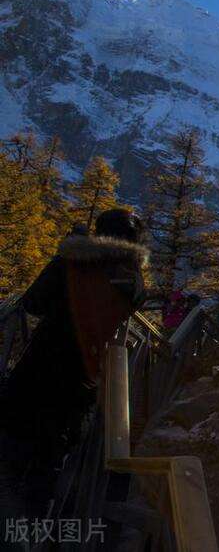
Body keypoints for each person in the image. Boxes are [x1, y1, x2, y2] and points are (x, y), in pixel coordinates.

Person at [0, 208, 148, 518]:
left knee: (12, 447)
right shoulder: (133, 279)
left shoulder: (72, 262)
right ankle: (32, 527)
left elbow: (33, 303)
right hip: (82, 379)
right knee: (50, 459)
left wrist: (67, 253)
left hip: (39, 368)